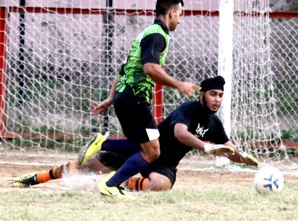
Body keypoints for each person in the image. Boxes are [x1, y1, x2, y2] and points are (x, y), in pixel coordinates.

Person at [12, 76, 259, 192]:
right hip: (143, 151)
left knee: (161, 186)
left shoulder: (215, 123)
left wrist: (243, 158)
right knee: (87, 165)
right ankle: (36, 178)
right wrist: (205, 147)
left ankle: (117, 184)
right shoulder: (188, 109)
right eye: (213, 94)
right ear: (202, 94)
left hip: (164, 163)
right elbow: (180, 133)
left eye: (220, 95)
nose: (217, 99)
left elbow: (229, 147)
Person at [85, 0, 199, 197]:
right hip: (135, 100)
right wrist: (179, 85)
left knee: (144, 145)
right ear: (172, 13)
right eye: (180, 14)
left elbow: (124, 69)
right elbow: (150, 68)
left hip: (126, 98)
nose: (181, 21)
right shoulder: (158, 35)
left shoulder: (146, 33)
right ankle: (110, 181)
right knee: (153, 151)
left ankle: (104, 150)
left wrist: (112, 98)